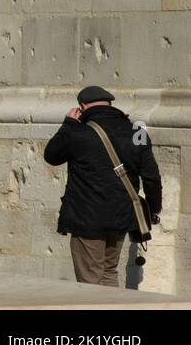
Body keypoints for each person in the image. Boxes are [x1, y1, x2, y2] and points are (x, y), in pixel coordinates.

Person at [45, 86, 162, 287]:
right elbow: (151, 177)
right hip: (122, 215)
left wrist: (68, 124)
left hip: (87, 218)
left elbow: (51, 155)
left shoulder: (77, 132)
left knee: (90, 281)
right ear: (110, 104)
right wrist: (153, 208)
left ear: (82, 106)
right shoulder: (137, 132)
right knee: (109, 272)